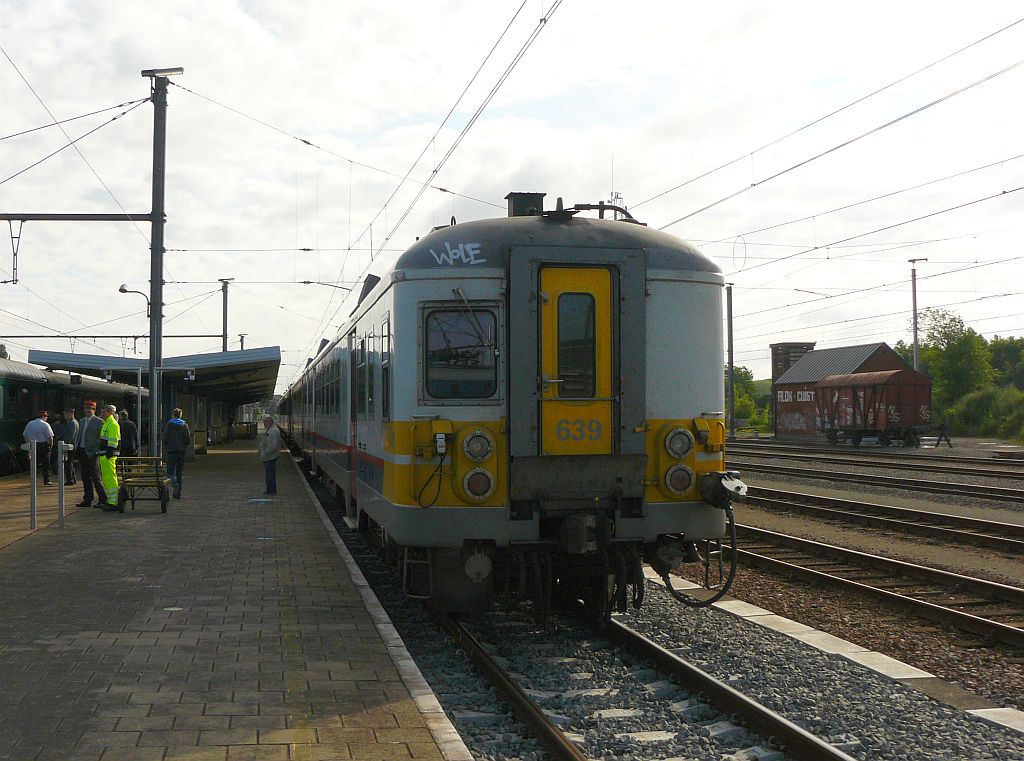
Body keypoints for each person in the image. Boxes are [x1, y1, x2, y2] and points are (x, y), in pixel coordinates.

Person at [77, 401, 107, 507]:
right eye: (86, 409)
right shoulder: (81, 421)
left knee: (95, 477)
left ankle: (103, 498)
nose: (87, 411)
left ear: (94, 410)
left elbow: (102, 437)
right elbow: (79, 435)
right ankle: (88, 499)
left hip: (92, 452)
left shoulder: (99, 422)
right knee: (85, 476)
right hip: (82, 450)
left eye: (89, 409)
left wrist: (97, 449)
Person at [98, 404, 121, 512]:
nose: (102, 414)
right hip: (104, 455)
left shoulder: (112, 424)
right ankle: (111, 500)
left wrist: (110, 451)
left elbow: (113, 440)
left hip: (109, 455)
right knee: (107, 478)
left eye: (104, 412)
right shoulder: (107, 423)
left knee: (111, 478)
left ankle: (114, 501)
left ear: (110, 412)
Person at [163, 408, 191, 500]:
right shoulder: (184, 425)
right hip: (181, 452)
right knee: (179, 472)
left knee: (170, 471)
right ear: (180, 415)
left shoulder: (168, 425)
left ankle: (175, 484)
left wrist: (169, 444)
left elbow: (165, 438)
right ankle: (178, 493)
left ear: (173, 415)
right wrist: (183, 445)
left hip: (171, 451)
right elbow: (188, 440)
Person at [22, 411, 55, 486]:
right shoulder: (45, 424)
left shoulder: (30, 424)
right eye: (46, 417)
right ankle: (46, 480)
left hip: (32, 445)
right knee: (45, 463)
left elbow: (25, 435)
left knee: (34, 463)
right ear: (44, 416)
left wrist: (28, 444)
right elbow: (50, 437)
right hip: (43, 445)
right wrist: (51, 445)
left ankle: (33, 480)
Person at [258, 415, 283, 495]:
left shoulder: (272, 431)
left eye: (265, 422)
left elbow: (274, 446)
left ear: (270, 422)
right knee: (269, 474)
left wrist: (266, 452)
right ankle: (270, 490)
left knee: (270, 475)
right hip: (269, 457)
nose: (264, 424)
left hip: (270, 457)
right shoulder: (271, 430)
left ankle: (271, 491)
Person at [61, 407, 79, 485]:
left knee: (68, 463)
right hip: (73, 445)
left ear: (70, 414)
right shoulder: (75, 422)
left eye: (65, 413)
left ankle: (70, 479)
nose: (64, 415)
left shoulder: (72, 423)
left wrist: (65, 444)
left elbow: (71, 435)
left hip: (70, 446)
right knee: (70, 462)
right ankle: (73, 478)